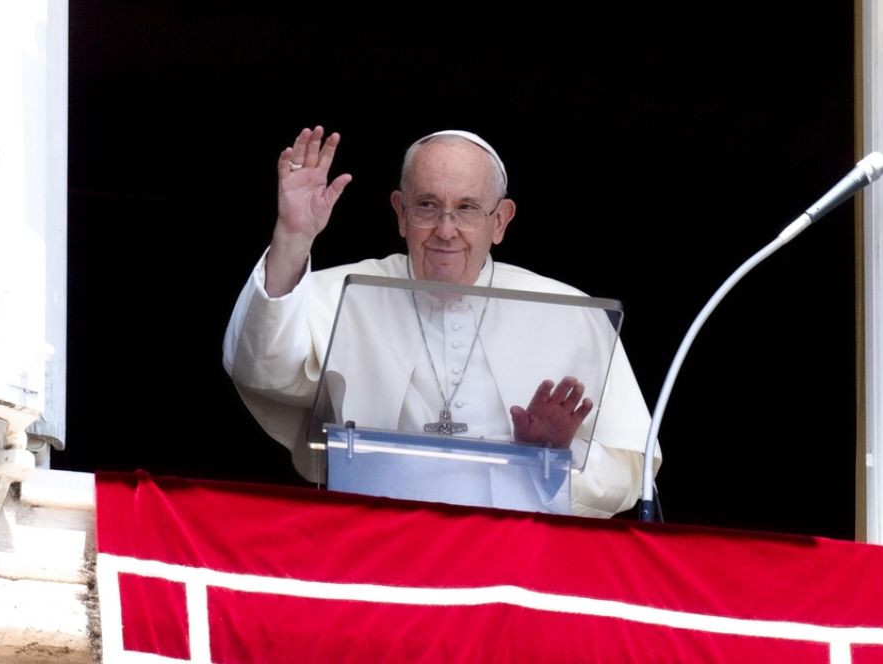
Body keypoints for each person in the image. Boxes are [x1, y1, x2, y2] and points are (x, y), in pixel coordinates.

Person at [223, 126, 661, 518]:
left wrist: (552, 458)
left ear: (500, 221)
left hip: (519, 558)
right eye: (427, 206)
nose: (446, 229)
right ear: (400, 212)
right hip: (375, 543)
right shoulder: (344, 292)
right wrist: (293, 239)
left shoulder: (570, 313)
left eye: (468, 208)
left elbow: (631, 468)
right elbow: (263, 370)